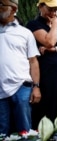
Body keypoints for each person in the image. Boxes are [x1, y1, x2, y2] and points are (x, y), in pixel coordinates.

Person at [26, 0, 57, 133]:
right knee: (48, 106)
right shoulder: (34, 24)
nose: (53, 12)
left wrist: (56, 50)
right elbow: (50, 41)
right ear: (41, 7)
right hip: (47, 74)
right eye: (50, 9)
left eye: (55, 9)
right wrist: (55, 24)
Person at [0, 0, 41, 135]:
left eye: (1, 4)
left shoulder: (25, 33)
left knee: (24, 131)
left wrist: (36, 87)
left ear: (13, 8)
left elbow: (33, 62)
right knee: (2, 130)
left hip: (21, 87)